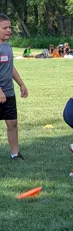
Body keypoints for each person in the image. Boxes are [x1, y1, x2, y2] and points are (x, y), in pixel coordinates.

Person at [0, 14, 29, 159]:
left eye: (9, 27)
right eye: (5, 28)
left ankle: (15, 154)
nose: (8, 30)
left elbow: (10, 68)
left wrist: (21, 84)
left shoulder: (7, 46)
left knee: (12, 122)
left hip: (8, 92)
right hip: (0, 92)